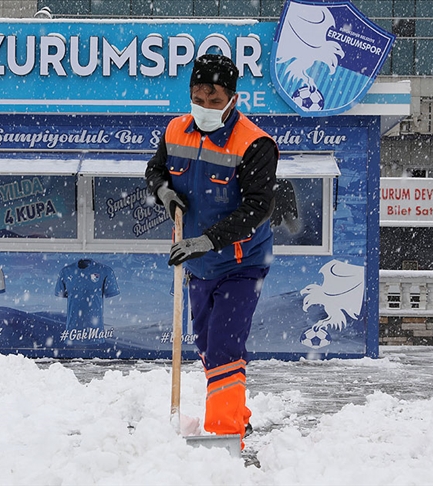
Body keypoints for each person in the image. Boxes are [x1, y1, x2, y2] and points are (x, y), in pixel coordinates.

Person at [145, 54, 279, 447]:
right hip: (197, 263)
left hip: (242, 262)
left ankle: (224, 434)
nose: (204, 106)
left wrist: (208, 240)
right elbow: (156, 170)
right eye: (197, 96)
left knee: (223, 345)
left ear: (233, 99)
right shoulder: (175, 130)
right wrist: (165, 192)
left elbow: (258, 207)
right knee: (207, 344)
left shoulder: (254, 143)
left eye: (213, 98)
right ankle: (237, 413)